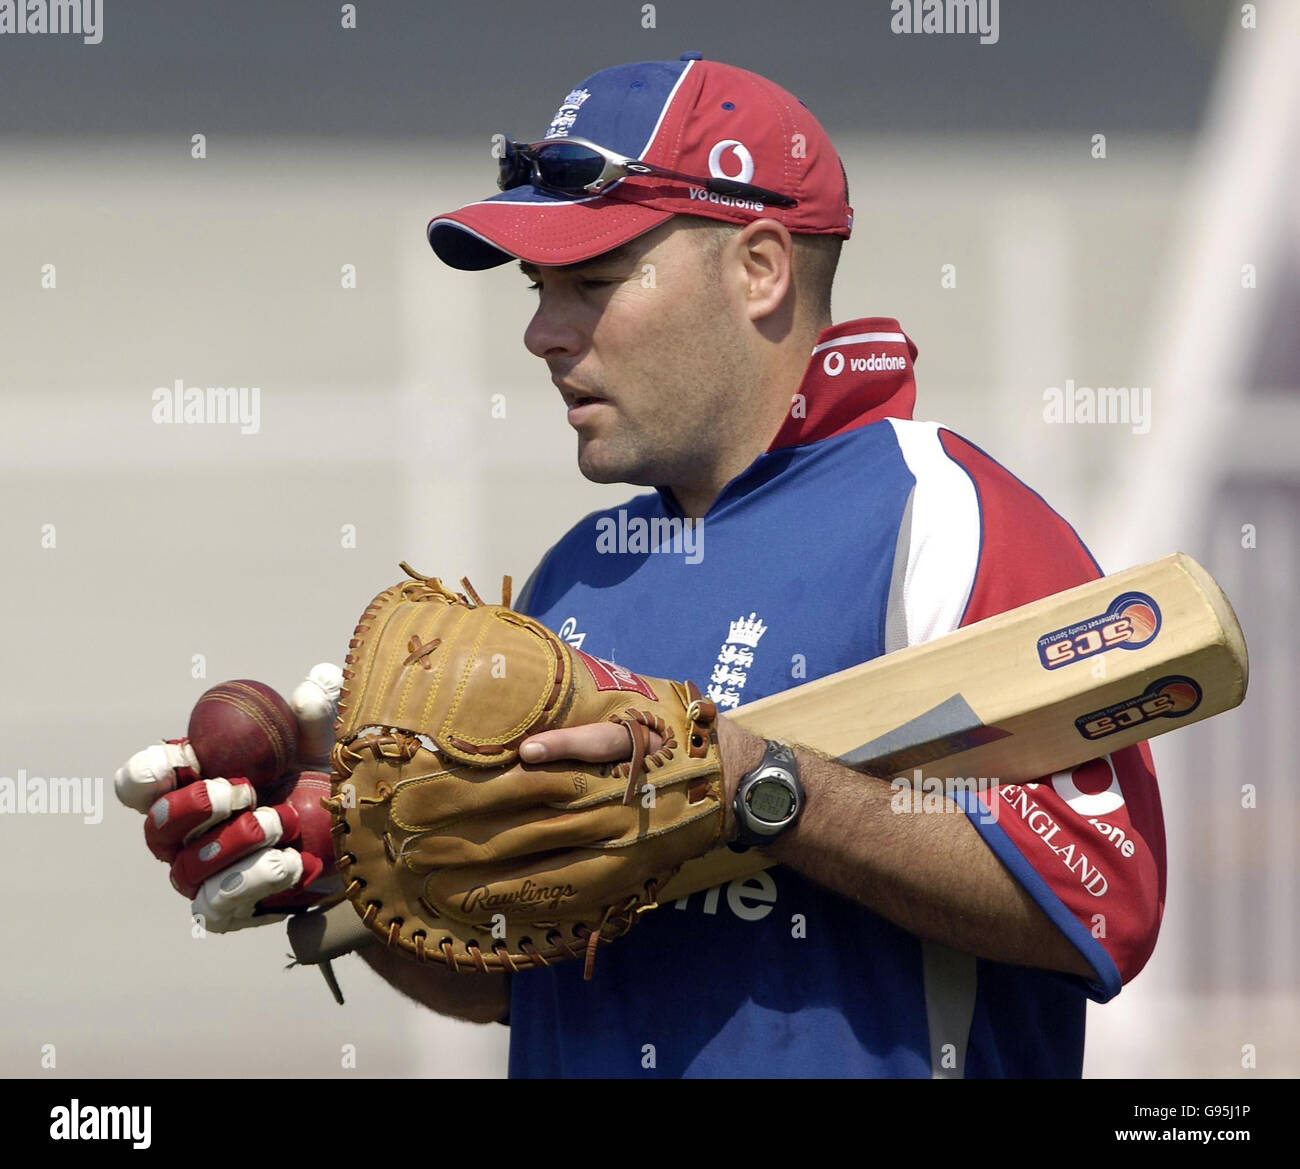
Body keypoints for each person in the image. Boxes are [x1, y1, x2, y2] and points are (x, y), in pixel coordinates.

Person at [119, 53, 1167, 1078]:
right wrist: (349, 875)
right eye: (537, 287)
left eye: (591, 280)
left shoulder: (942, 515)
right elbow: (520, 978)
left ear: (758, 268)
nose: (540, 332)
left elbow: (1101, 901)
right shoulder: (575, 575)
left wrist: (761, 788)